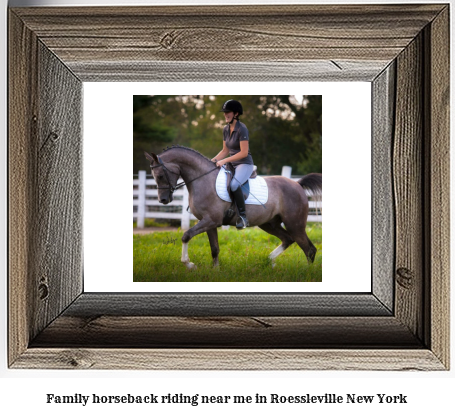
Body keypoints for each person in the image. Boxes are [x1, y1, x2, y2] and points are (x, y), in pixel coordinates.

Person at [211, 99, 254, 229]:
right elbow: (225, 150)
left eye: (227, 112)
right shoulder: (225, 129)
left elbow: (244, 153)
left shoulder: (242, 129)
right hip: (231, 164)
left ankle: (243, 217)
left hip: (244, 163)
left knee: (234, 185)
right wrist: (212, 161)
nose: (225, 115)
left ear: (236, 114)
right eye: (224, 113)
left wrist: (223, 161)